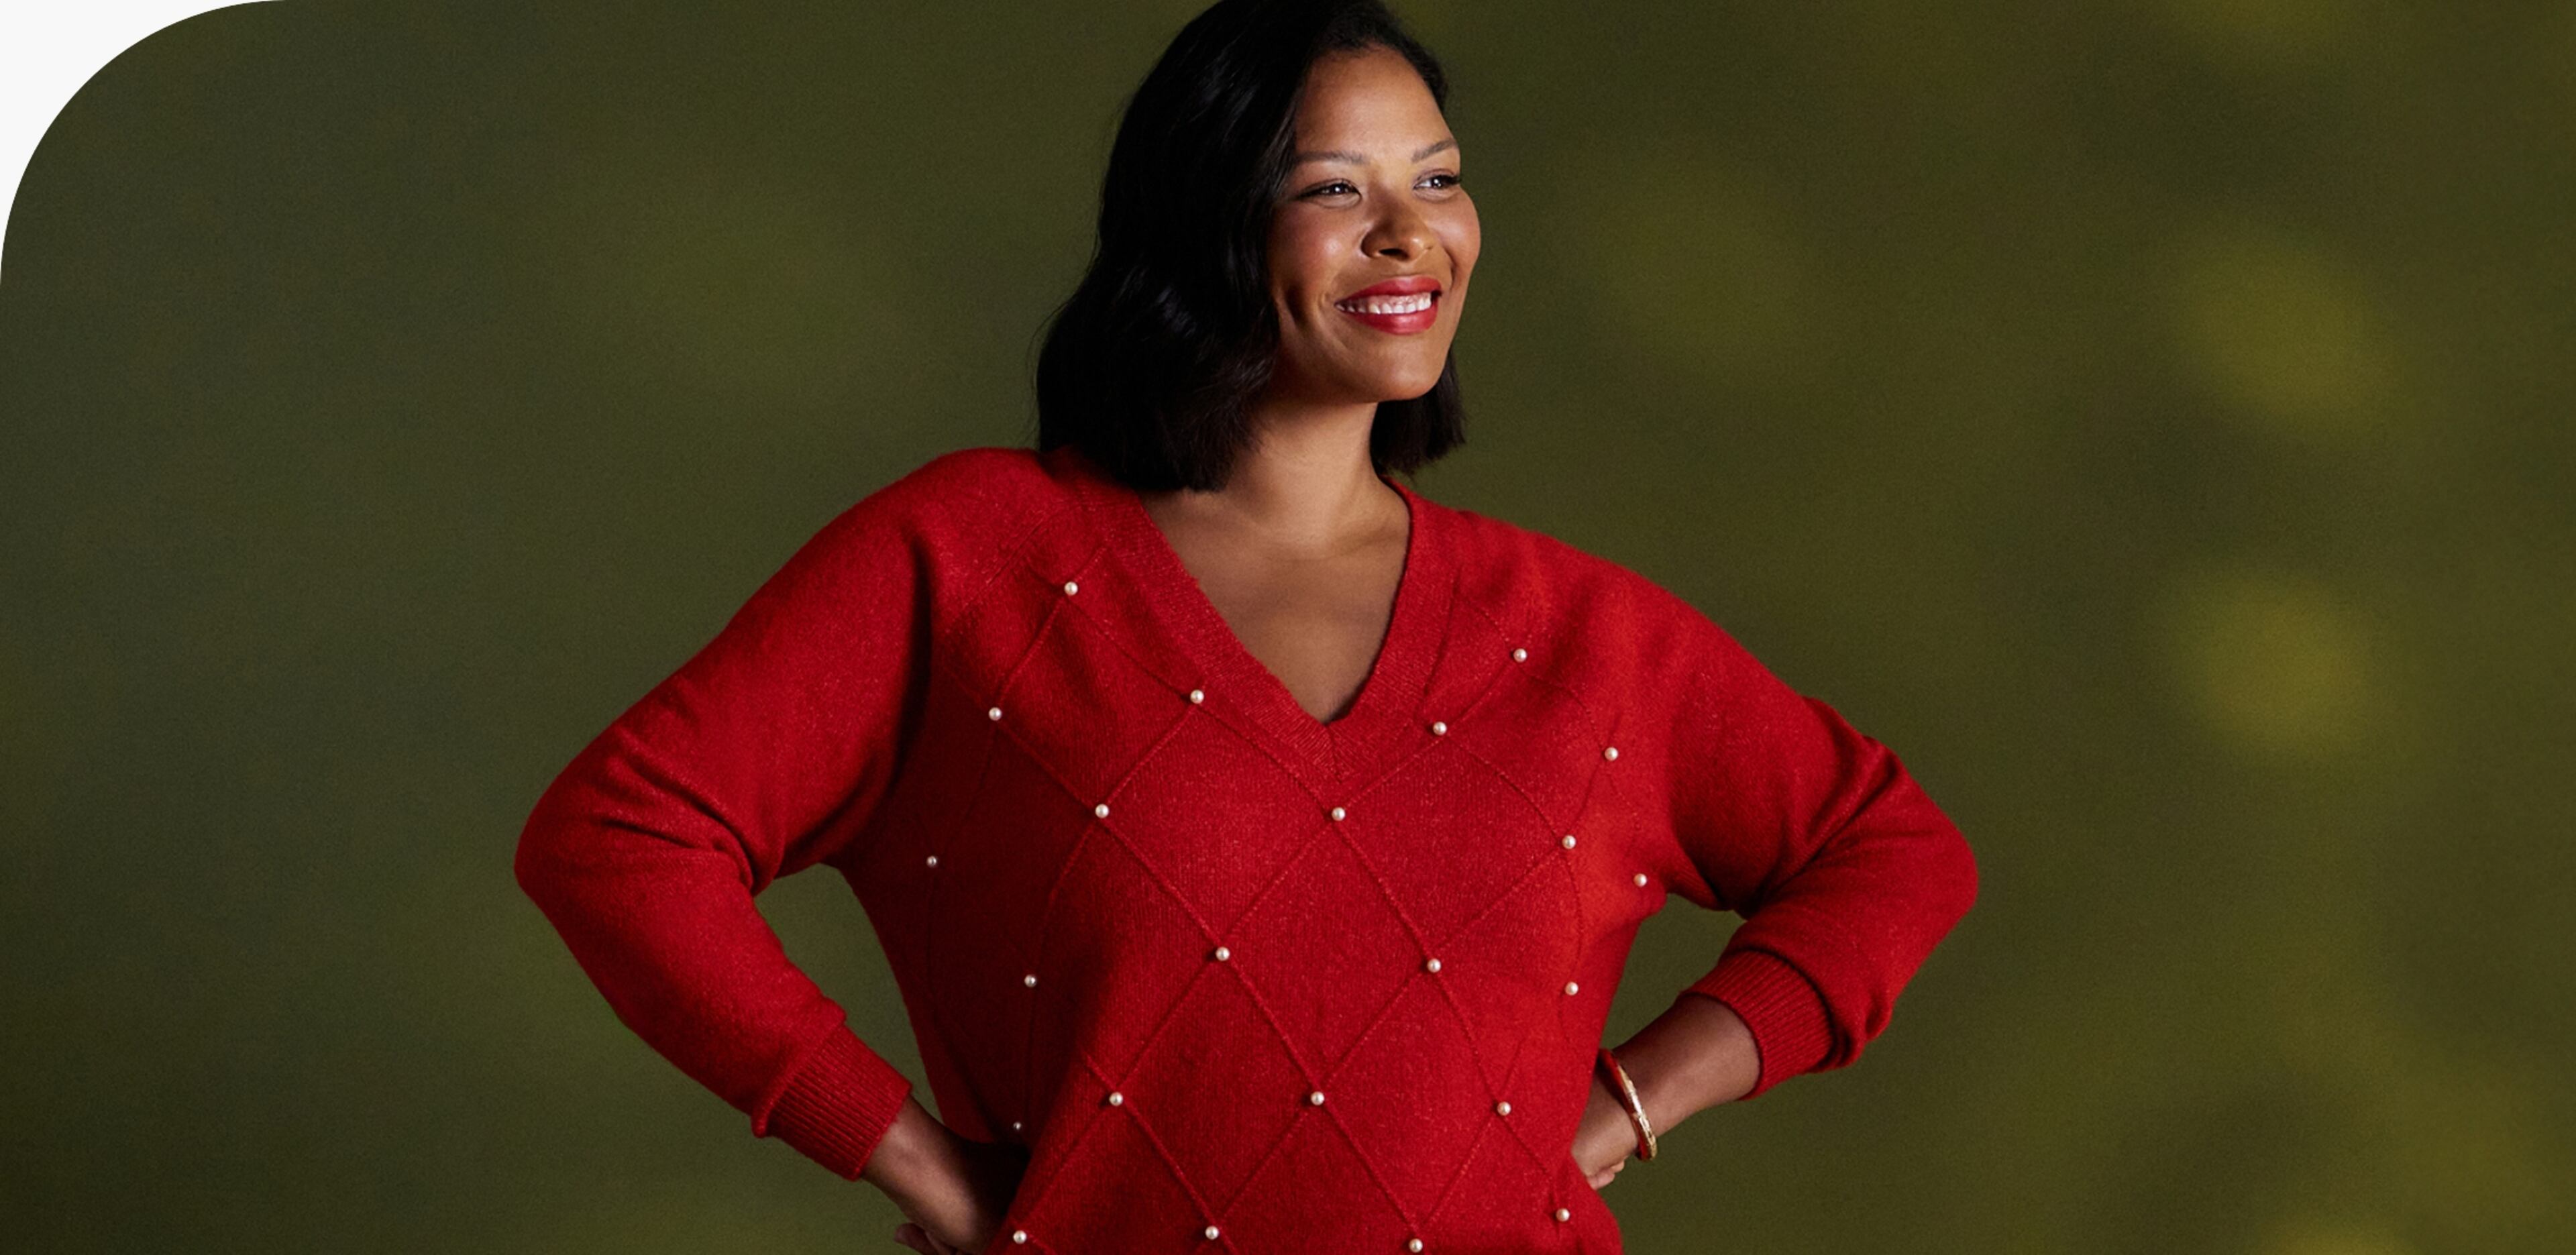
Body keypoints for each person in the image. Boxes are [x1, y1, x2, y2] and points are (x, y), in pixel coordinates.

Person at [513, 1, 1979, 1252]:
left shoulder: (1578, 632)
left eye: (1442, 178)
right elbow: (620, 838)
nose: (1414, 233)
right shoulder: (974, 561)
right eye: (1335, 188)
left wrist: (1628, 1108)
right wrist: (921, 1168)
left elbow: (1893, 853)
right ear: (1207, 221)